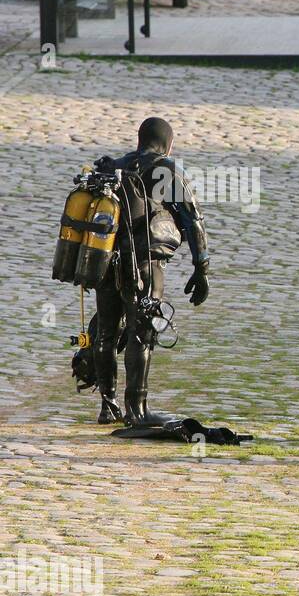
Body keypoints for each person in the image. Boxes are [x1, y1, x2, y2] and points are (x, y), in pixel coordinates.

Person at [91, 117, 209, 426]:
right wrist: (202, 268)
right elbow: (193, 220)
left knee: (106, 331)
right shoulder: (168, 170)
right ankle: (137, 410)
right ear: (169, 144)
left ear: (139, 139)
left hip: (104, 261)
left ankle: (108, 405)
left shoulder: (112, 167)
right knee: (141, 332)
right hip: (144, 265)